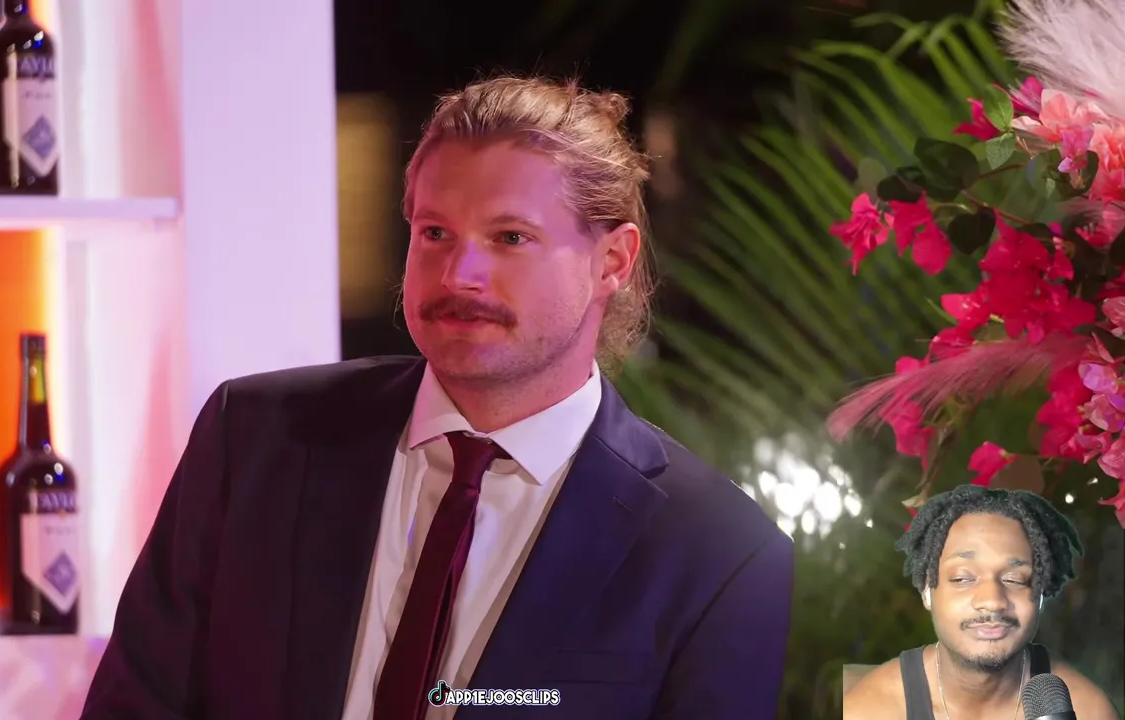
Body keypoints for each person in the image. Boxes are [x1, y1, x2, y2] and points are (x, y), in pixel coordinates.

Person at [80, 74, 794, 720]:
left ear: (612, 260)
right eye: (435, 233)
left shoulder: (716, 553)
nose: (460, 274)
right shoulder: (256, 439)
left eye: (509, 237)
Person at [843, 485, 1120, 720]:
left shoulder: (1088, 711)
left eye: (1015, 579)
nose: (992, 601)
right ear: (927, 590)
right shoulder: (870, 710)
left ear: (1041, 594)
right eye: (962, 578)